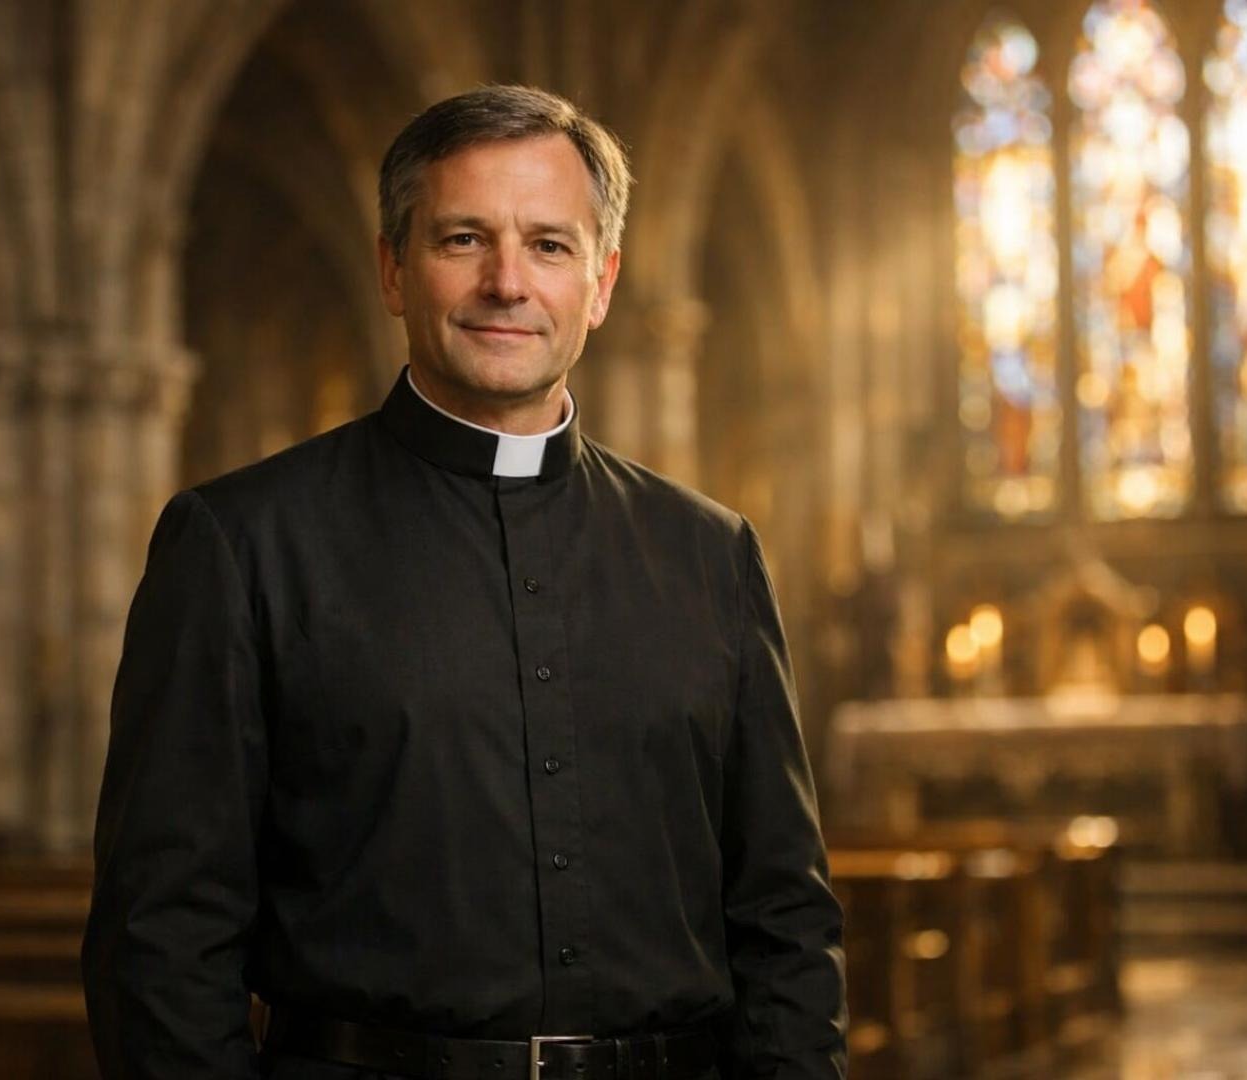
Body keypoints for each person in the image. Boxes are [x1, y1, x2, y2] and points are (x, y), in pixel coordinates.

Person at [81, 84, 846, 1080]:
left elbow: (784, 916)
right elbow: (161, 936)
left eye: (550, 245)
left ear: (603, 284)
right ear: (393, 270)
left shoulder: (712, 555)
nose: (507, 282)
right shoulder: (242, 545)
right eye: (462, 240)